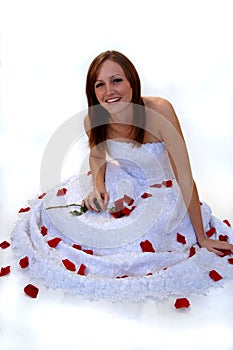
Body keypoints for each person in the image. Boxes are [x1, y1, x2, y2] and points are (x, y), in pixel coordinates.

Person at [10, 50, 233, 301]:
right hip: (122, 182)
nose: (109, 92)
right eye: (100, 85)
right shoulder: (93, 119)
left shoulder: (161, 111)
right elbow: (97, 155)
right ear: (92, 91)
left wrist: (201, 236)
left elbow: (184, 174)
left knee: (139, 238)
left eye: (117, 80)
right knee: (84, 224)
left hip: (162, 191)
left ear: (132, 82)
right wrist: (97, 186)